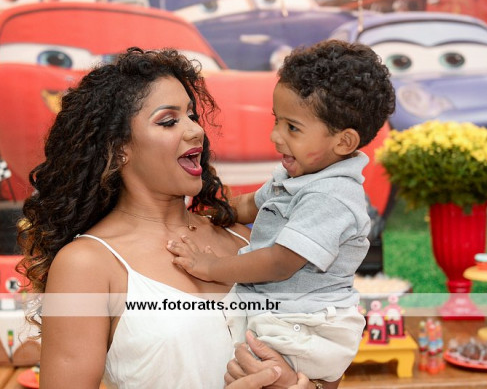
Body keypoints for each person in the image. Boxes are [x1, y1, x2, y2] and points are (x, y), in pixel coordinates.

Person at [18, 47, 322, 388]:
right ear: (118, 148)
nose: (195, 131)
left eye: (192, 116)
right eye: (168, 121)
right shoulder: (86, 265)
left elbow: (323, 359)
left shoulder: (245, 239)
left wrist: (299, 384)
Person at [167, 40, 396, 385]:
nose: (275, 136)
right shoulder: (299, 173)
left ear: (343, 142)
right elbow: (251, 205)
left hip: (306, 325)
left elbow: (279, 263)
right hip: (283, 311)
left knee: (232, 365)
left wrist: (211, 266)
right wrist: (207, 213)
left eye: (292, 128)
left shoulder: (332, 196)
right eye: (277, 121)